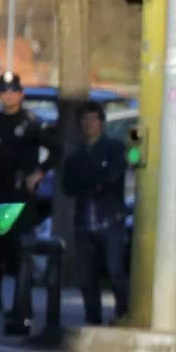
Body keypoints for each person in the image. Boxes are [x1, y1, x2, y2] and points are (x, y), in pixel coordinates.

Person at [0, 72, 60, 313]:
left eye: (13, 91)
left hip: (21, 196)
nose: (8, 96)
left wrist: (39, 173)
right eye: (4, 91)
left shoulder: (32, 122)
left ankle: (22, 303)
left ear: (21, 94)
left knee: (21, 251)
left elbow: (56, 150)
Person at [61, 100, 130, 325]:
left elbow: (111, 177)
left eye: (93, 119)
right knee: (87, 275)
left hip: (110, 220)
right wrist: (94, 179)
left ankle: (123, 312)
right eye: (85, 120)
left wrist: (90, 179)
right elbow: (68, 186)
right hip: (84, 222)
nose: (89, 124)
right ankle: (93, 316)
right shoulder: (75, 155)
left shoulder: (114, 148)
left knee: (115, 270)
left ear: (101, 123)